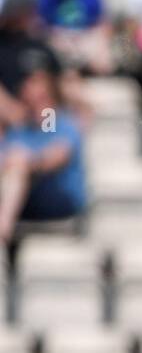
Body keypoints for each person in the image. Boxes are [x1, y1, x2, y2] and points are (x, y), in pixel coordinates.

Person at [0, 69, 87, 245]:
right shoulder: (20, 130)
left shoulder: (63, 125)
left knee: (17, 167)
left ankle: (2, 230)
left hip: (59, 204)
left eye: (40, 98)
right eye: (28, 98)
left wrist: (28, 162)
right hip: (27, 206)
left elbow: (58, 156)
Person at [36, 0, 113, 76]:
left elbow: (102, 25)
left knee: (102, 58)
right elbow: (41, 27)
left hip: (85, 41)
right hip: (59, 42)